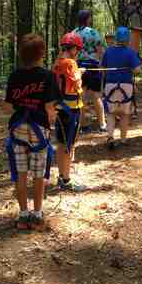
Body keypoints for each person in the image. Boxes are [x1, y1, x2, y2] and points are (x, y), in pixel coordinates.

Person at [2, 34, 60, 231]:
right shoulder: (48, 76)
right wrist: (52, 118)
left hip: (18, 129)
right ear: (42, 53)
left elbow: (8, 106)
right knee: (38, 174)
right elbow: (50, 107)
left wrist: (21, 106)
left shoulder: (15, 76)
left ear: (21, 54)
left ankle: (23, 215)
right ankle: (37, 214)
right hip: (39, 130)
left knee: (20, 173)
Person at [51, 32, 88, 192]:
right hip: (70, 109)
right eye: (78, 49)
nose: (78, 52)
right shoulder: (70, 63)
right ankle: (66, 180)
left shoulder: (57, 63)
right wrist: (80, 72)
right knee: (68, 146)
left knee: (61, 143)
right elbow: (76, 83)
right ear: (73, 49)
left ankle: (62, 176)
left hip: (60, 109)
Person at [101, 26, 141, 150]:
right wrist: (132, 67)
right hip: (126, 86)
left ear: (116, 38)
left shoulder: (108, 51)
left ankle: (110, 136)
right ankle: (123, 139)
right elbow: (137, 70)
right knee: (125, 114)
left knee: (110, 113)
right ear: (128, 39)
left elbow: (103, 68)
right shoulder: (130, 52)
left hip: (110, 85)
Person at [73, 10, 107, 133]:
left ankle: (83, 125)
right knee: (96, 96)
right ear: (87, 19)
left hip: (79, 67)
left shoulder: (73, 33)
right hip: (93, 67)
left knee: (81, 97)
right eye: (90, 18)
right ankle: (102, 125)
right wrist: (102, 65)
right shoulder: (93, 32)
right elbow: (100, 50)